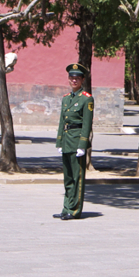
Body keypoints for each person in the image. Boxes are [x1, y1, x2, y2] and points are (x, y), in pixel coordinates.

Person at [53, 63, 93, 221]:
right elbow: (62, 122)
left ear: (82, 80)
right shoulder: (66, 99)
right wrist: (59, 142)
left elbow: (87, 124)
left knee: (77, 177)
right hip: (67, 141)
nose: (74, 80)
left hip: (77, 142)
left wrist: (83, 145)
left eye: (77, 78)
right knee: (68, 177)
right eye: (71, 78)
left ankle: (75, 210)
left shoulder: (86, 99)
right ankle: (66, 208)